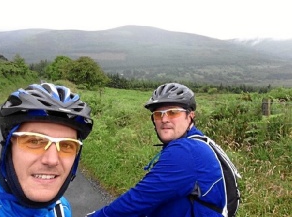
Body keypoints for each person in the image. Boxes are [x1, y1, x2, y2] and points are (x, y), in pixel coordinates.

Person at [86, 83, 226, 217]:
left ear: (190, 116)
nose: (164, 119)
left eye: (172, 112)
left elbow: (140, 199)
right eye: (158, 114)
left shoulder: (185, 151)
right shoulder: (199, 142)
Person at [0, 83, 93, 216]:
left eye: (66, 145)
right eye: (34, 141)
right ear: (9, 148)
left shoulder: (61, 209)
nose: (51, 160)